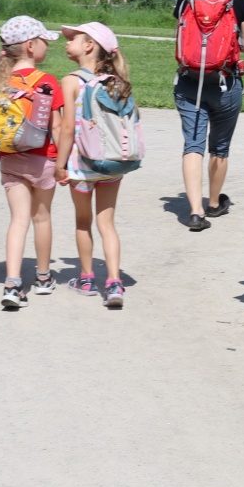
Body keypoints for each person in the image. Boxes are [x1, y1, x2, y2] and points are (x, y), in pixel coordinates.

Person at [0, 15, 65, 309]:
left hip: (10, 160)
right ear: (30, 46)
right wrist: (63, 163)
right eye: (44, 41)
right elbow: (58, 127)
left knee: (18, 220)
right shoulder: (47, 82)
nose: (47, 46)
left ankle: (12, 284)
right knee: (42, 218)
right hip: (43, 160)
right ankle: (43, 278)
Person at [173, 0, 244, 229]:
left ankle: (195, 212)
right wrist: (229, 44)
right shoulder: (236, 2)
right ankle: (213, 203)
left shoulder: (185, 0)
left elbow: (182, 39)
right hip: (225, 84)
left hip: (189, 83)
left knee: (193, 145)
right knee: (219, 147)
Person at [56, 21, 136, 309]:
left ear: (89, 46)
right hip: (112, 163)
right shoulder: (117, 81)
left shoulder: (70, 81)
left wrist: (60, 164)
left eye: (73, 38)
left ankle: (87, 279)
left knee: (83, 221)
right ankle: (114, 282)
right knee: (107, 223)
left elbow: (67, 128)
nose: (66, 42)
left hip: (81, 165)